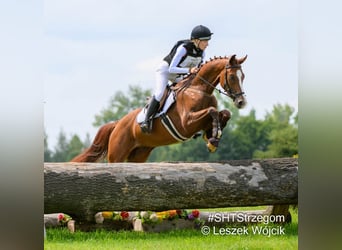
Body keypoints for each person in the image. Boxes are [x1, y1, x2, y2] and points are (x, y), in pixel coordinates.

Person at [140, 25, 213, 133]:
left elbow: (198, 70)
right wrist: (189, 71)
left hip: (179, 75)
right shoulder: (183, 48)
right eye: (205, 41)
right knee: (160, 93)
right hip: (165, 71)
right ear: (196, 41)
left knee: (190, 92)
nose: (207, 44)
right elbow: (171, 68)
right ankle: (146, 121)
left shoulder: (202, 53)